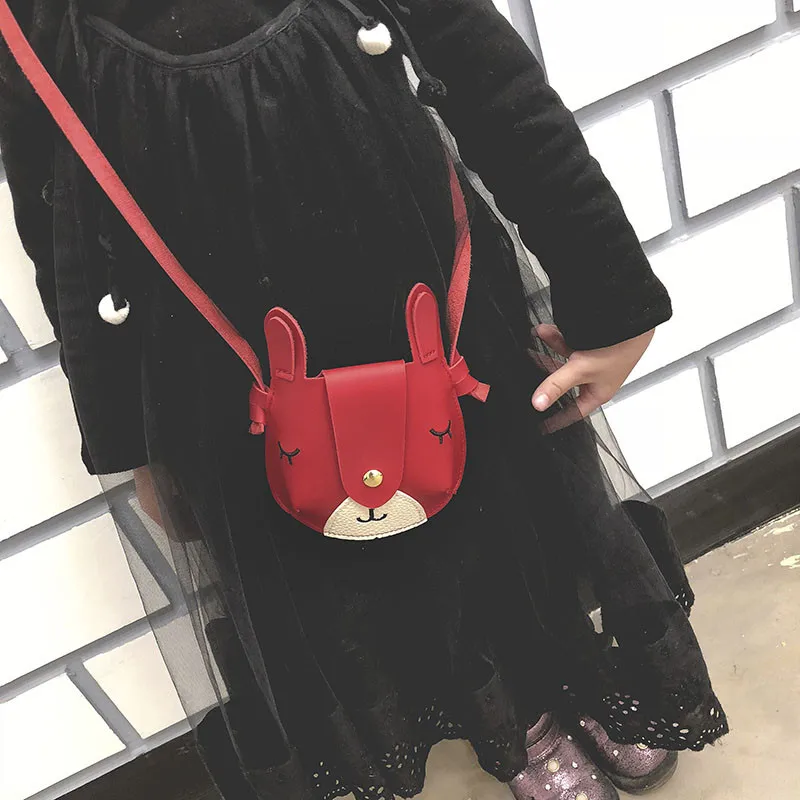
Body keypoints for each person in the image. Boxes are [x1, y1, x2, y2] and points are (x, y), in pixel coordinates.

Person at [0, 1, 727, 799]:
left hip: (430, 293)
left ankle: (566, 666)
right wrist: (130, 443)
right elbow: (56, 221)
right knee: (350, 560)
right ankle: (517, 721)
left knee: (509, 504)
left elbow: (490, 77)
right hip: (227, 363)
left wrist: (611, 296)